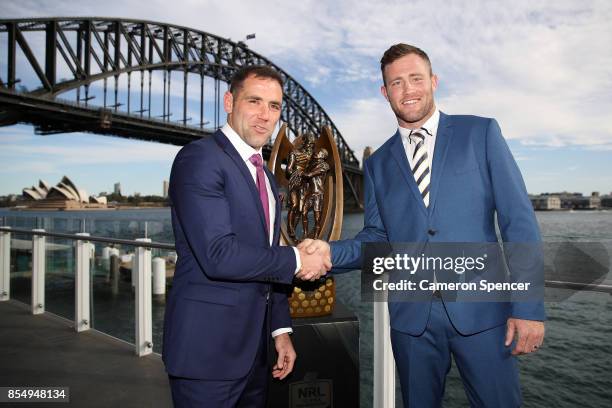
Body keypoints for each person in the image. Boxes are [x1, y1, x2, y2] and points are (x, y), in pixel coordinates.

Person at [301, 44, 546, 407]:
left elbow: (519, 222)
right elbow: (378, 238)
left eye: (416, 78)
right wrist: (329, 251)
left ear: (433, 81)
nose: (408, 90)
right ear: (385, 93)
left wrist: (527, 308)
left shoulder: (480, 134)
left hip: (483, 314)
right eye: (396, 83)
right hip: (412, 322)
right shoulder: (378, 163)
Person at [162, 65, 330, 408]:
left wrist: (279, 331)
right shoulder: (200, 158)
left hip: (255, 353)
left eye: (274, 106)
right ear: (229, 101)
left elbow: (264, 257)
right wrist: (299, 258)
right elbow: (218, 254)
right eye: (254, 101)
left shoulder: (266, 176)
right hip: (207, 354)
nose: (265, 116)